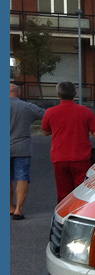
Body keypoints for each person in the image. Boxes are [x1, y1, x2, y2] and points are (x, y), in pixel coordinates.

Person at [40, 81, 95, 203]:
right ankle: (80, 213)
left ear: (58, 94)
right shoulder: (86, 111)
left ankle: (64, 215)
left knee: (63, 191)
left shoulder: (50, 112)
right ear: (75, 93)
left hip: (59, 158)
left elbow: (45, 131)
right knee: (82, 190)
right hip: (81, 157)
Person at [9, 82, 46, 220]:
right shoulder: (27, 107)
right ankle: (19, 209)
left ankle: (10, 207)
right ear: (18, 93)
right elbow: (46, 116)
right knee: (22, 177)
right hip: (22, 147)